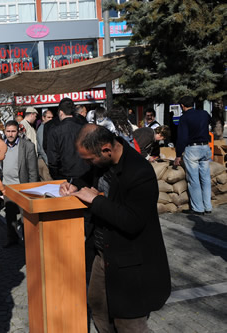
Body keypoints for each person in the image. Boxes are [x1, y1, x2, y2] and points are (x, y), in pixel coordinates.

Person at [60, 124, 171, 333]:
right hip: (103, 254)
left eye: (88, 159)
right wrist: (75, 184)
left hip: (130, 261)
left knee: (128, 322)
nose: (86, 163)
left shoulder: (140, 172)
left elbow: (132, 221)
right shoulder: (102, 161)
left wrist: (96, 201)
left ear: (106, 150)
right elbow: (89, 175)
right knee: (99, 307)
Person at [2, 120, 38, 247]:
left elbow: (33, 171)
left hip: (23, 186)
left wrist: (32, 190)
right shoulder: (0, 145)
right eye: (8, 131)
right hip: (7, 186)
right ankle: (12, 239)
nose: (10, 134)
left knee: (25, 216)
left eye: (13, 131)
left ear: (18, 131)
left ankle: (28, 240)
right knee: (10, 215)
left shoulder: (27, 146)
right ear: (4, 131)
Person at [174, 95, 212, 215]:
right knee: (206, 179)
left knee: (193, 180)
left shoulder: (184, 118)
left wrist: (178, 154)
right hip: (206, 147)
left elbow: (182, 138)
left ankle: (198, 208)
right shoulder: (204, 114)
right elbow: (210, 121)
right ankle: (208, 206)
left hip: (193, 149)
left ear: (182, 106)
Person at [46, 97, 90, 180]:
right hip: (85, 173)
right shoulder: (84, 128)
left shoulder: (54, 131)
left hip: (65, 176)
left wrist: (56, 176)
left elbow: (53, 159)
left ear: (61, 112)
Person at [36, 109, 54, 181]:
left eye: (52, 117)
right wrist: (48, 162)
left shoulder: (48, 127)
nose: (50, 119)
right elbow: (42, 147)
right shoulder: (42, 129)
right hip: (43, 161)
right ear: (43, 118)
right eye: (48, 117)